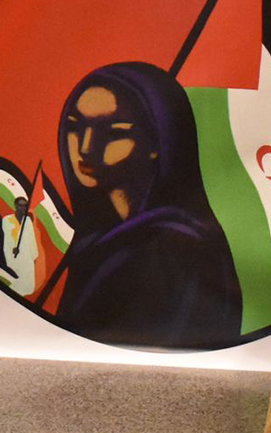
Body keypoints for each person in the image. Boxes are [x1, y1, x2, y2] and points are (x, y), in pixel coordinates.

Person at [55, 62, 242, 348]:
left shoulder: (175, 248)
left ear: (158, 140)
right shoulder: (98, 240)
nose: (86, 147)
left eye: (113, 132)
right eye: (74, 127)